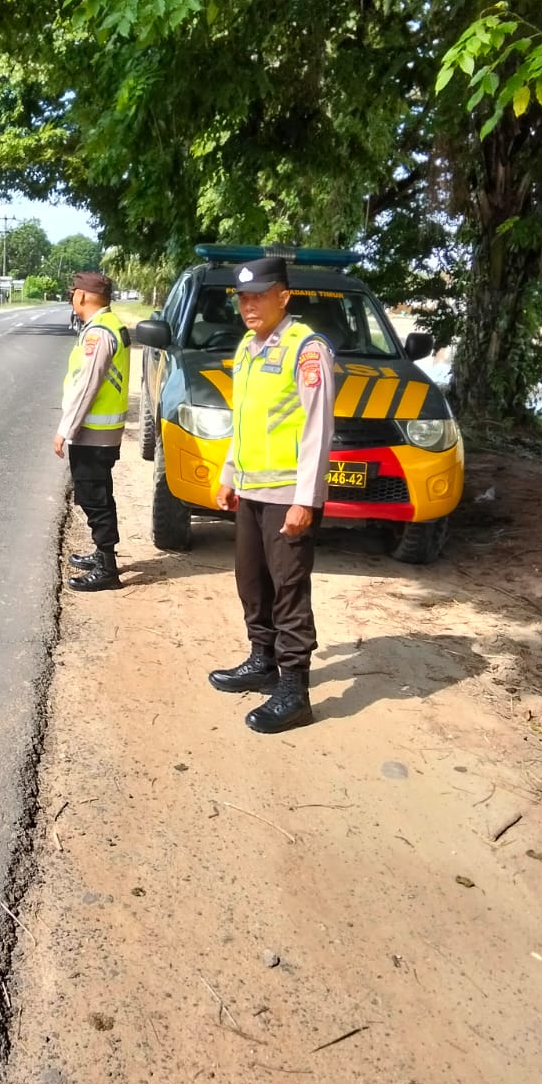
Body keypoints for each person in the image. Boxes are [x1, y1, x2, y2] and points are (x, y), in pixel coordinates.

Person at [207, 256, 335, 733]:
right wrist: (228, 473)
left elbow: (318, 430)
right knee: (252, 580)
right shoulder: (247, 347)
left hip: (287, 493)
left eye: (259, 295)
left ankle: (294, 689)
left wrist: (306, 499)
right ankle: (262, 661)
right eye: (243, 297)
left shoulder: (307, 350)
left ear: (284, 296)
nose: (249, 305)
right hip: (251, 488)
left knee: (288, 590)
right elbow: (243, 420)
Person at [53, 271, 131, 592]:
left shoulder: (99, 334)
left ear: (82, 296)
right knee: (97, 493)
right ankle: (102, 555)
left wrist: (64, 430)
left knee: (94, 497)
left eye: (73, 293)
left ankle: (107, 566)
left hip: (92, 432)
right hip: (103, 431)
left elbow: (86, 387)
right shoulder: (110, 325)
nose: (72, 298)